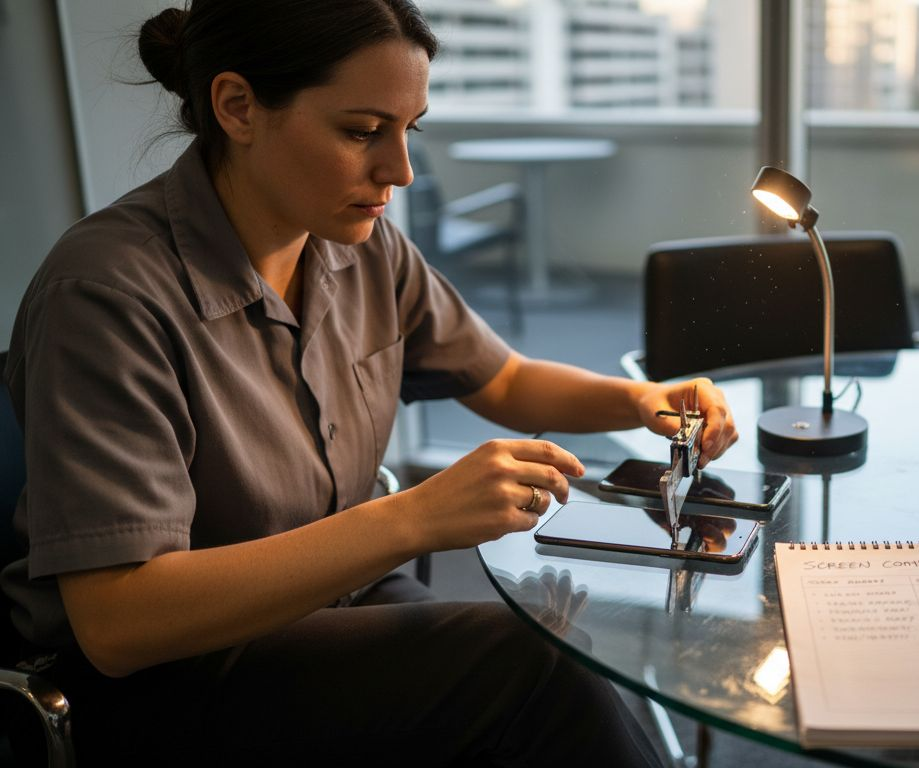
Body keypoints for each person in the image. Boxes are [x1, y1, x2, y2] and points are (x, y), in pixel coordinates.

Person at [0, 1, 738, 764]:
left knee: (545, 661)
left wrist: (641, 399)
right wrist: (415, 517)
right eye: (362, 132)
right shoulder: (107, 294)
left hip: (339, 607)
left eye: (408, 130)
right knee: (537, 675)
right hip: (179, 677)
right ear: (237, 107)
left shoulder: (362, 246)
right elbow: (121, 624)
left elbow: (504, 378)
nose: (401, 171)